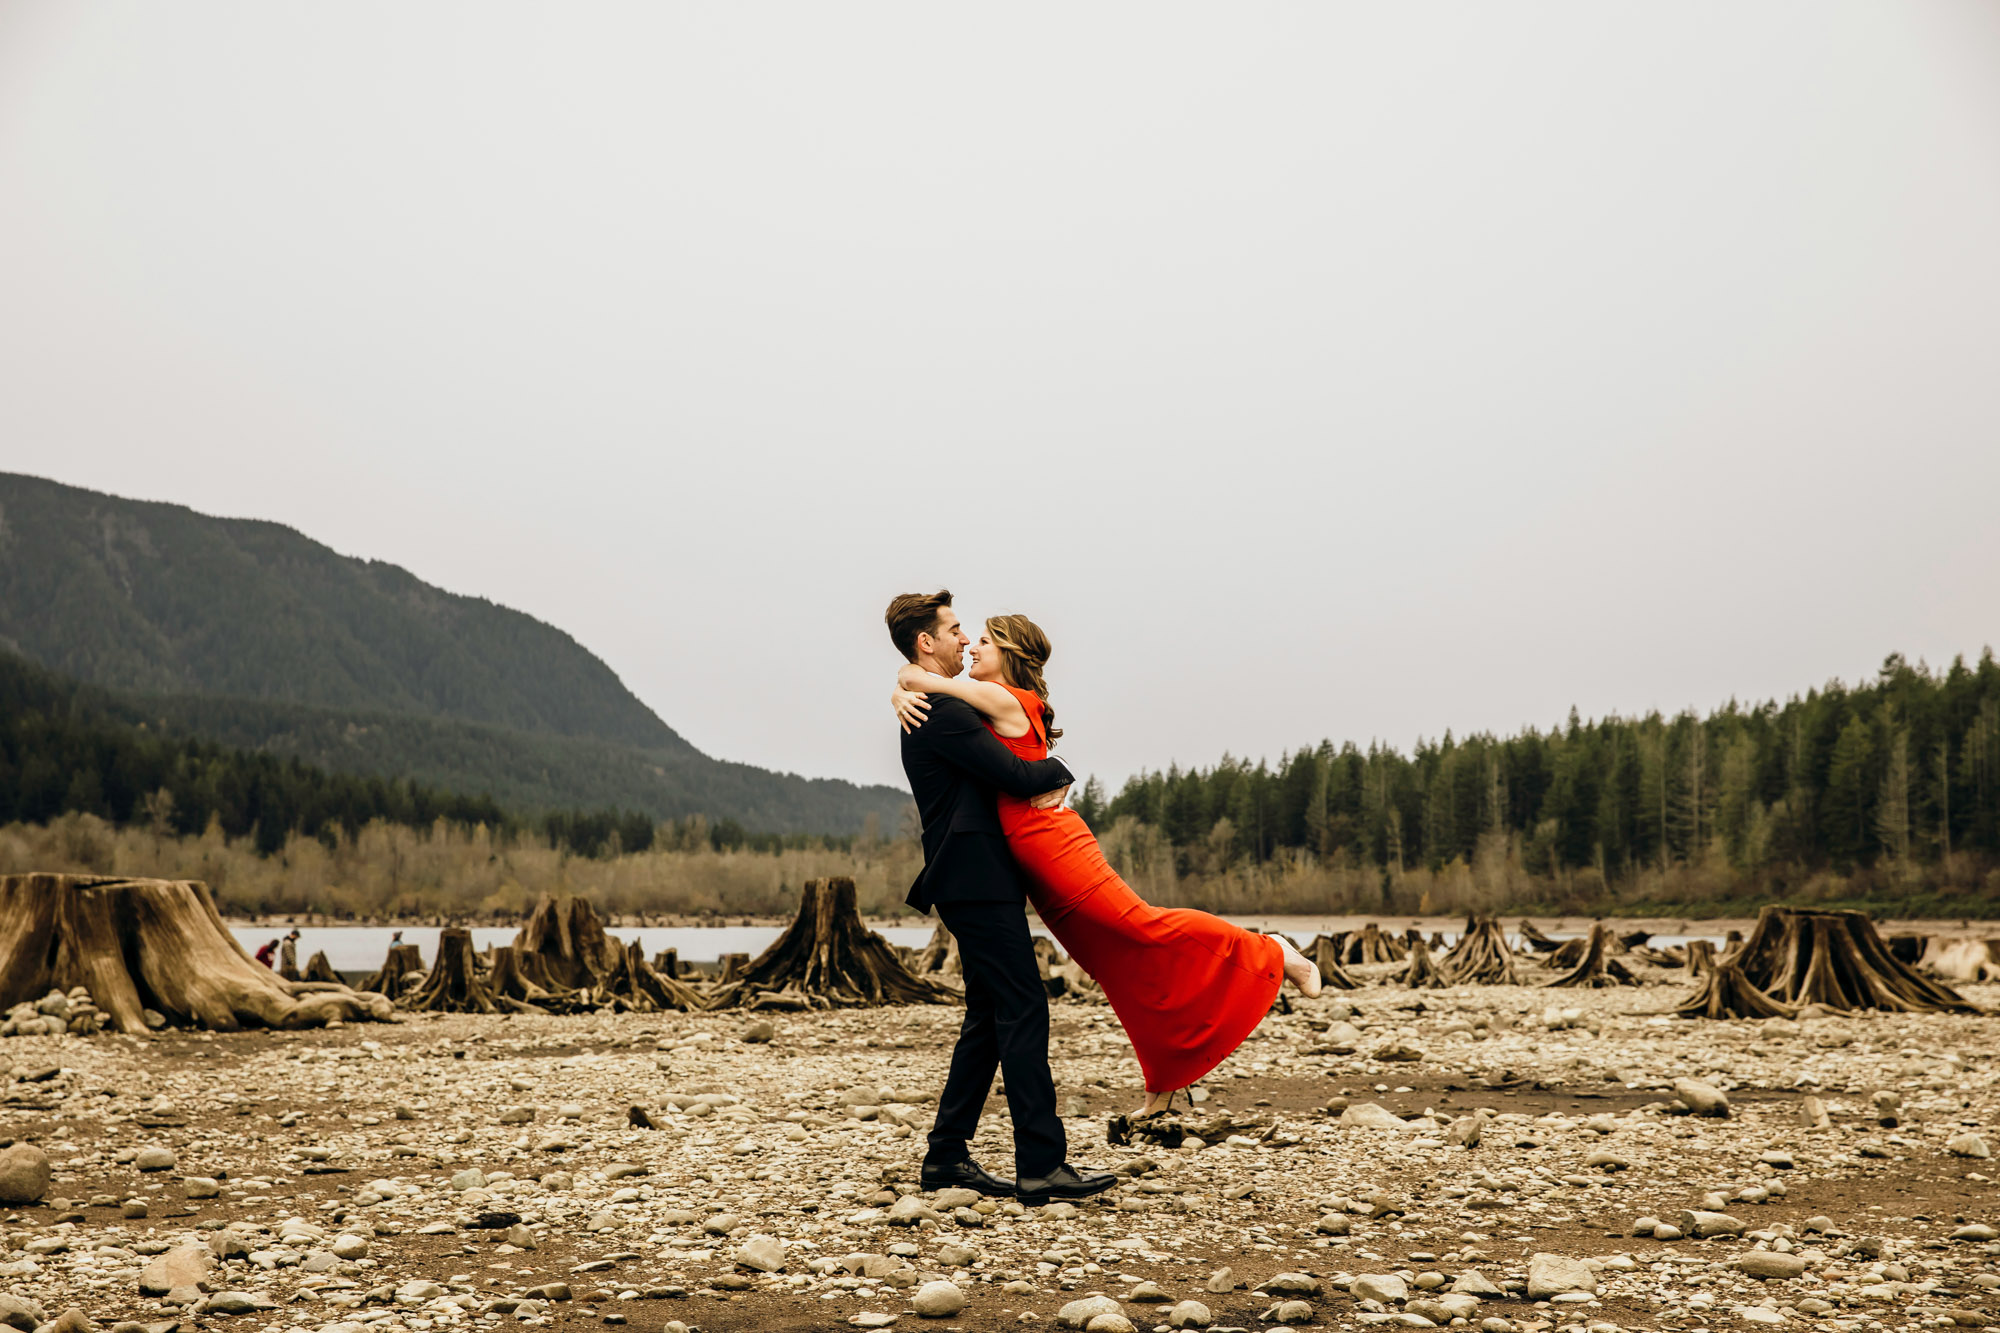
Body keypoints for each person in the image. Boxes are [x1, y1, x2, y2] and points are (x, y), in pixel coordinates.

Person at [893, 612, 1322, 1120]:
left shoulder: (1007, 698)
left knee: (1141, 925)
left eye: (983, 641)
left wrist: (903, 684)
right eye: (968, 638)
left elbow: (922, 678)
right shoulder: (986, 702)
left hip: (1051, 843)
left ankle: (1270, 950)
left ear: (1009, 654)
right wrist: (903, 689)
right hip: (1028, 859)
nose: (971, 648)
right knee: (1112, 962)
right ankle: (1164, 1082)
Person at [886, 590, 1118, 1206]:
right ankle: (1042, 1166)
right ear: (925, 643)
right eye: (955, 630)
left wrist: (899, 681)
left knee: (989, 1018)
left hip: (975, 877)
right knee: (1025, 1007)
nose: (966, 640)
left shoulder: (928, 699)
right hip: (975, 879)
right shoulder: (942, 711)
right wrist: (1061, 770)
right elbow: (1016, 775)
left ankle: (945, 1158)